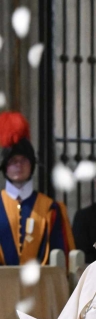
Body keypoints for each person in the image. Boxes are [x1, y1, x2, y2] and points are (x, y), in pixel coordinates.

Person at [0, 111, 75, 265]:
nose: (18, 165)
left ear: (32, 165)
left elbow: (62, 259)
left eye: (24, 160)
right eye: (13, 160)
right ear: (5, 167)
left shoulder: (51, 209)